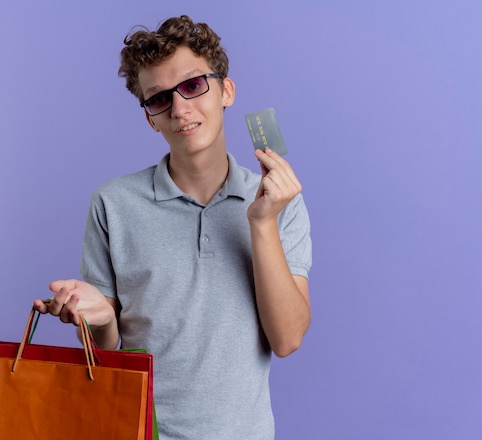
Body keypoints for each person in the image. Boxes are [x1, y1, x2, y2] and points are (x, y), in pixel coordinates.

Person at [34, 15, 312, 439]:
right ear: (150, 118)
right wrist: (98, 317)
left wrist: (261, 223)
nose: (180, 108)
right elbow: (105, 348)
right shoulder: (113, 203)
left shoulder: (278, 201)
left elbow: (287, 339)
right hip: (135, 429)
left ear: (227, 91)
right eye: (159, 98)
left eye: (193, 85)